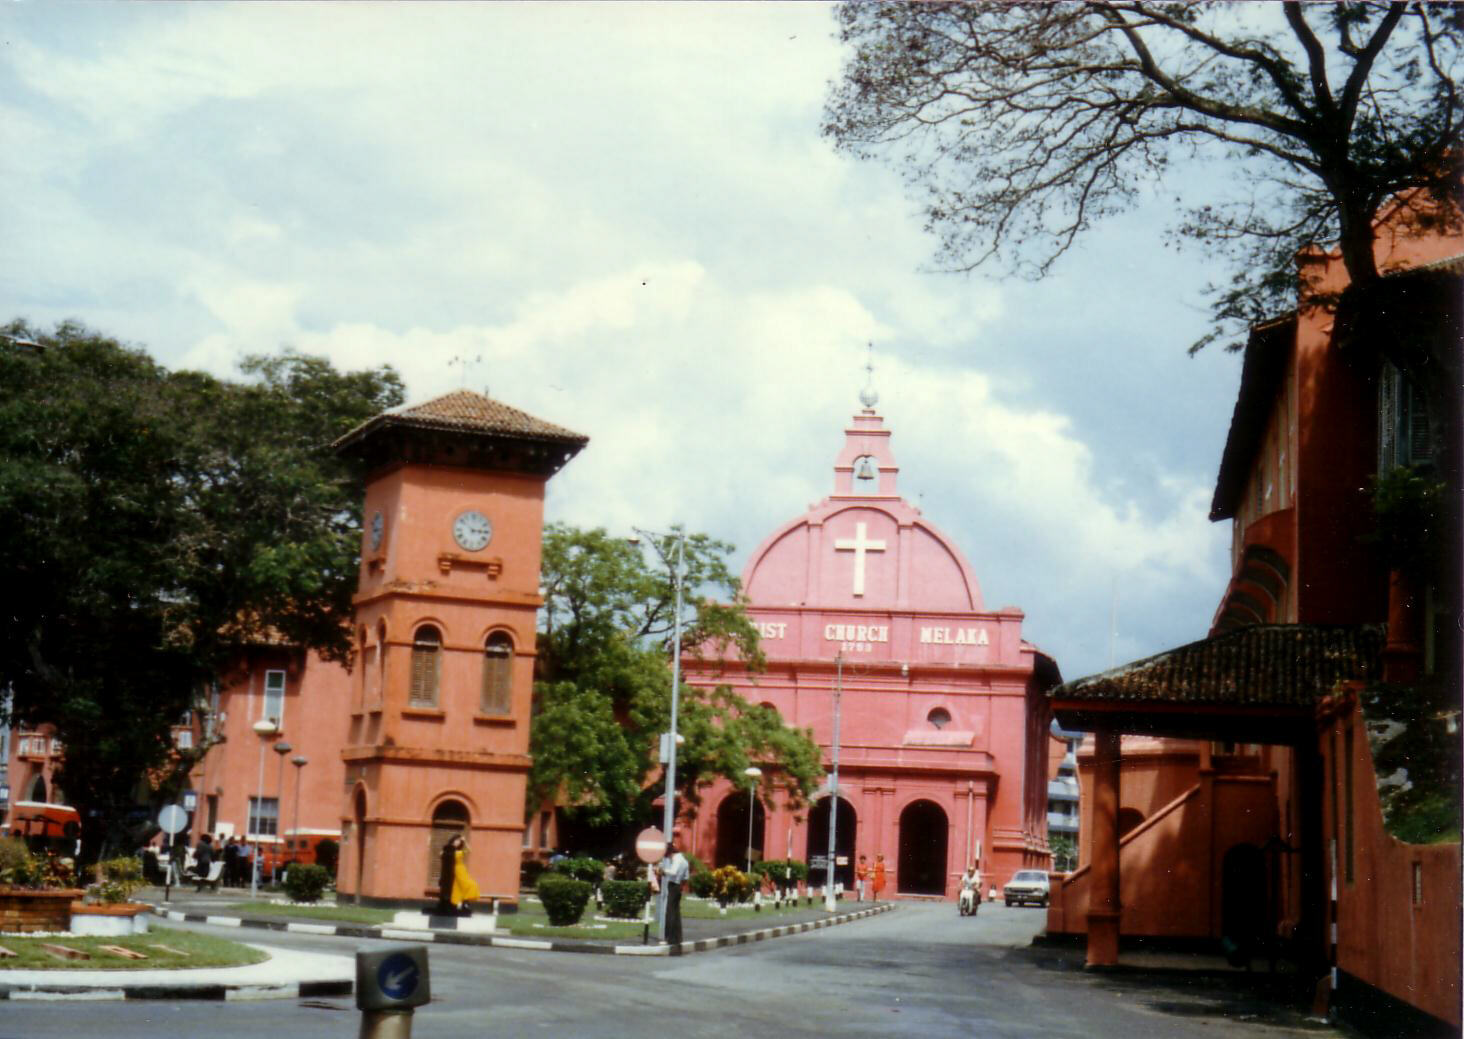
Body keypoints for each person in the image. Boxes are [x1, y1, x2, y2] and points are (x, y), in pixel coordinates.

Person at [658, 835, 689, 946]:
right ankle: (677, 937)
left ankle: (669, 938)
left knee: (670, 912)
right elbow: (686, 877)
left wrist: (663, 871)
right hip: (678, 886)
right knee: (676, 913)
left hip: (673, 886)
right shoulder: (684, 860)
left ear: (670, 853)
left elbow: (674, 872)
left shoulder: (676, 860)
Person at [449, 835, 480, 915]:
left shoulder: (460, 851)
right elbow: (441, 854)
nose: (457, 842)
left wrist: (465, 841)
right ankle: (461, 903)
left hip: (462, 869)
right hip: (455, 870)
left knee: (471, 885)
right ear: (453, 840)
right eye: (456, 840)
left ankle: (465, 902)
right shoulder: (449, 849)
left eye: (459, 841)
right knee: (459, 887)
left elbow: (469, 850)